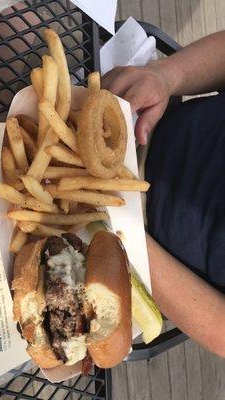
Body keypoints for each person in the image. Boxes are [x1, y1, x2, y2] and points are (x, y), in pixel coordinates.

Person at [102, 31, 225, 357]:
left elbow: (220, 325)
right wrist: (165, 75)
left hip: (132, 266)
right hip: (141, 120)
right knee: (6, 31)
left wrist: (124, 234)